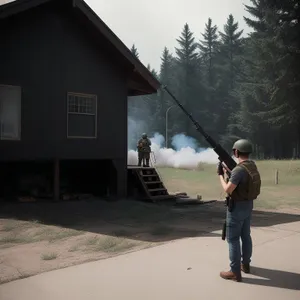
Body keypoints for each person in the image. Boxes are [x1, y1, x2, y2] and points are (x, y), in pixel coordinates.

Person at [217, 139, 261, 282]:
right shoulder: (251, 166)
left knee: (233, 239)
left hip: (236, 208)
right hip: (248, 205)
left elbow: (228, 190)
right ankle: (245, 264)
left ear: (236, 152)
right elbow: (242, 182)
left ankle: (234, 271)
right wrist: (230, 172)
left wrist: (221, 176)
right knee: (246, 235)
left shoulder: (238, 170)